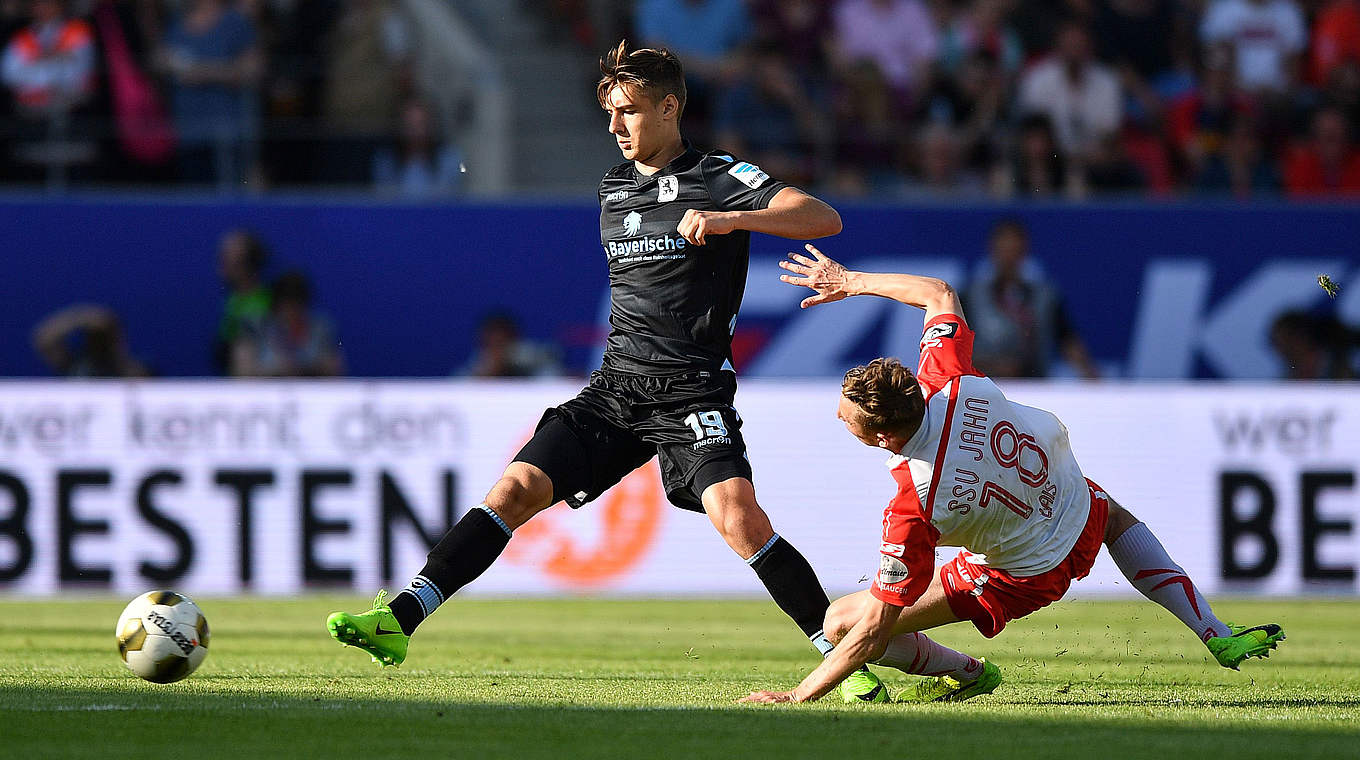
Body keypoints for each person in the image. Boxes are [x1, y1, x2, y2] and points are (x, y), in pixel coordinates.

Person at [326, 40, 889, 703]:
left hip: (690, 389)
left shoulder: (716, 173)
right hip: (617, 386)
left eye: (629, 111)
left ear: (670, 106)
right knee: (514, 490)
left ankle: (844, 662)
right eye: (610, 115)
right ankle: (400, 618)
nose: (616, 128)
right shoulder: (614, 187)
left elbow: (823, 216)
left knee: (738, 518)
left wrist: (729, 219)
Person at [740, 245, 1285, 704]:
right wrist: (850, 280)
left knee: (842, 622)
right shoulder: (948, 379)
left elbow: (874, 631)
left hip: (1027, 573)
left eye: (846, 418)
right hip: (1075, 505)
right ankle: (1216, 632)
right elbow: (938, 294)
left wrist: (797, 695)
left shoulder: (915, 503)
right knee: (1117, 518)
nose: (838, 415)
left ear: (881, 438)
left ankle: (971, 672)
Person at [964, 219, 1100, 379]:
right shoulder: (970, 297)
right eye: (1004, 250)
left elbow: (1067, 341)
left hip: (1034, 388)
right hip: (986, 388)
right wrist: (993, 365)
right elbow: (954, 353)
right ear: (993, 250)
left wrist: (1093, 380)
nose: (1009, 257)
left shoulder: (1045, 297)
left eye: (1014, 250)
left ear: (1024, 251)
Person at [32, 303, 150, 377]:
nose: (100, 344)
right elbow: (44, 339)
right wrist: (79, 319)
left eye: (103, 338)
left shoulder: (133, 372)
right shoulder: (74, 367)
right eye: (95, 338)